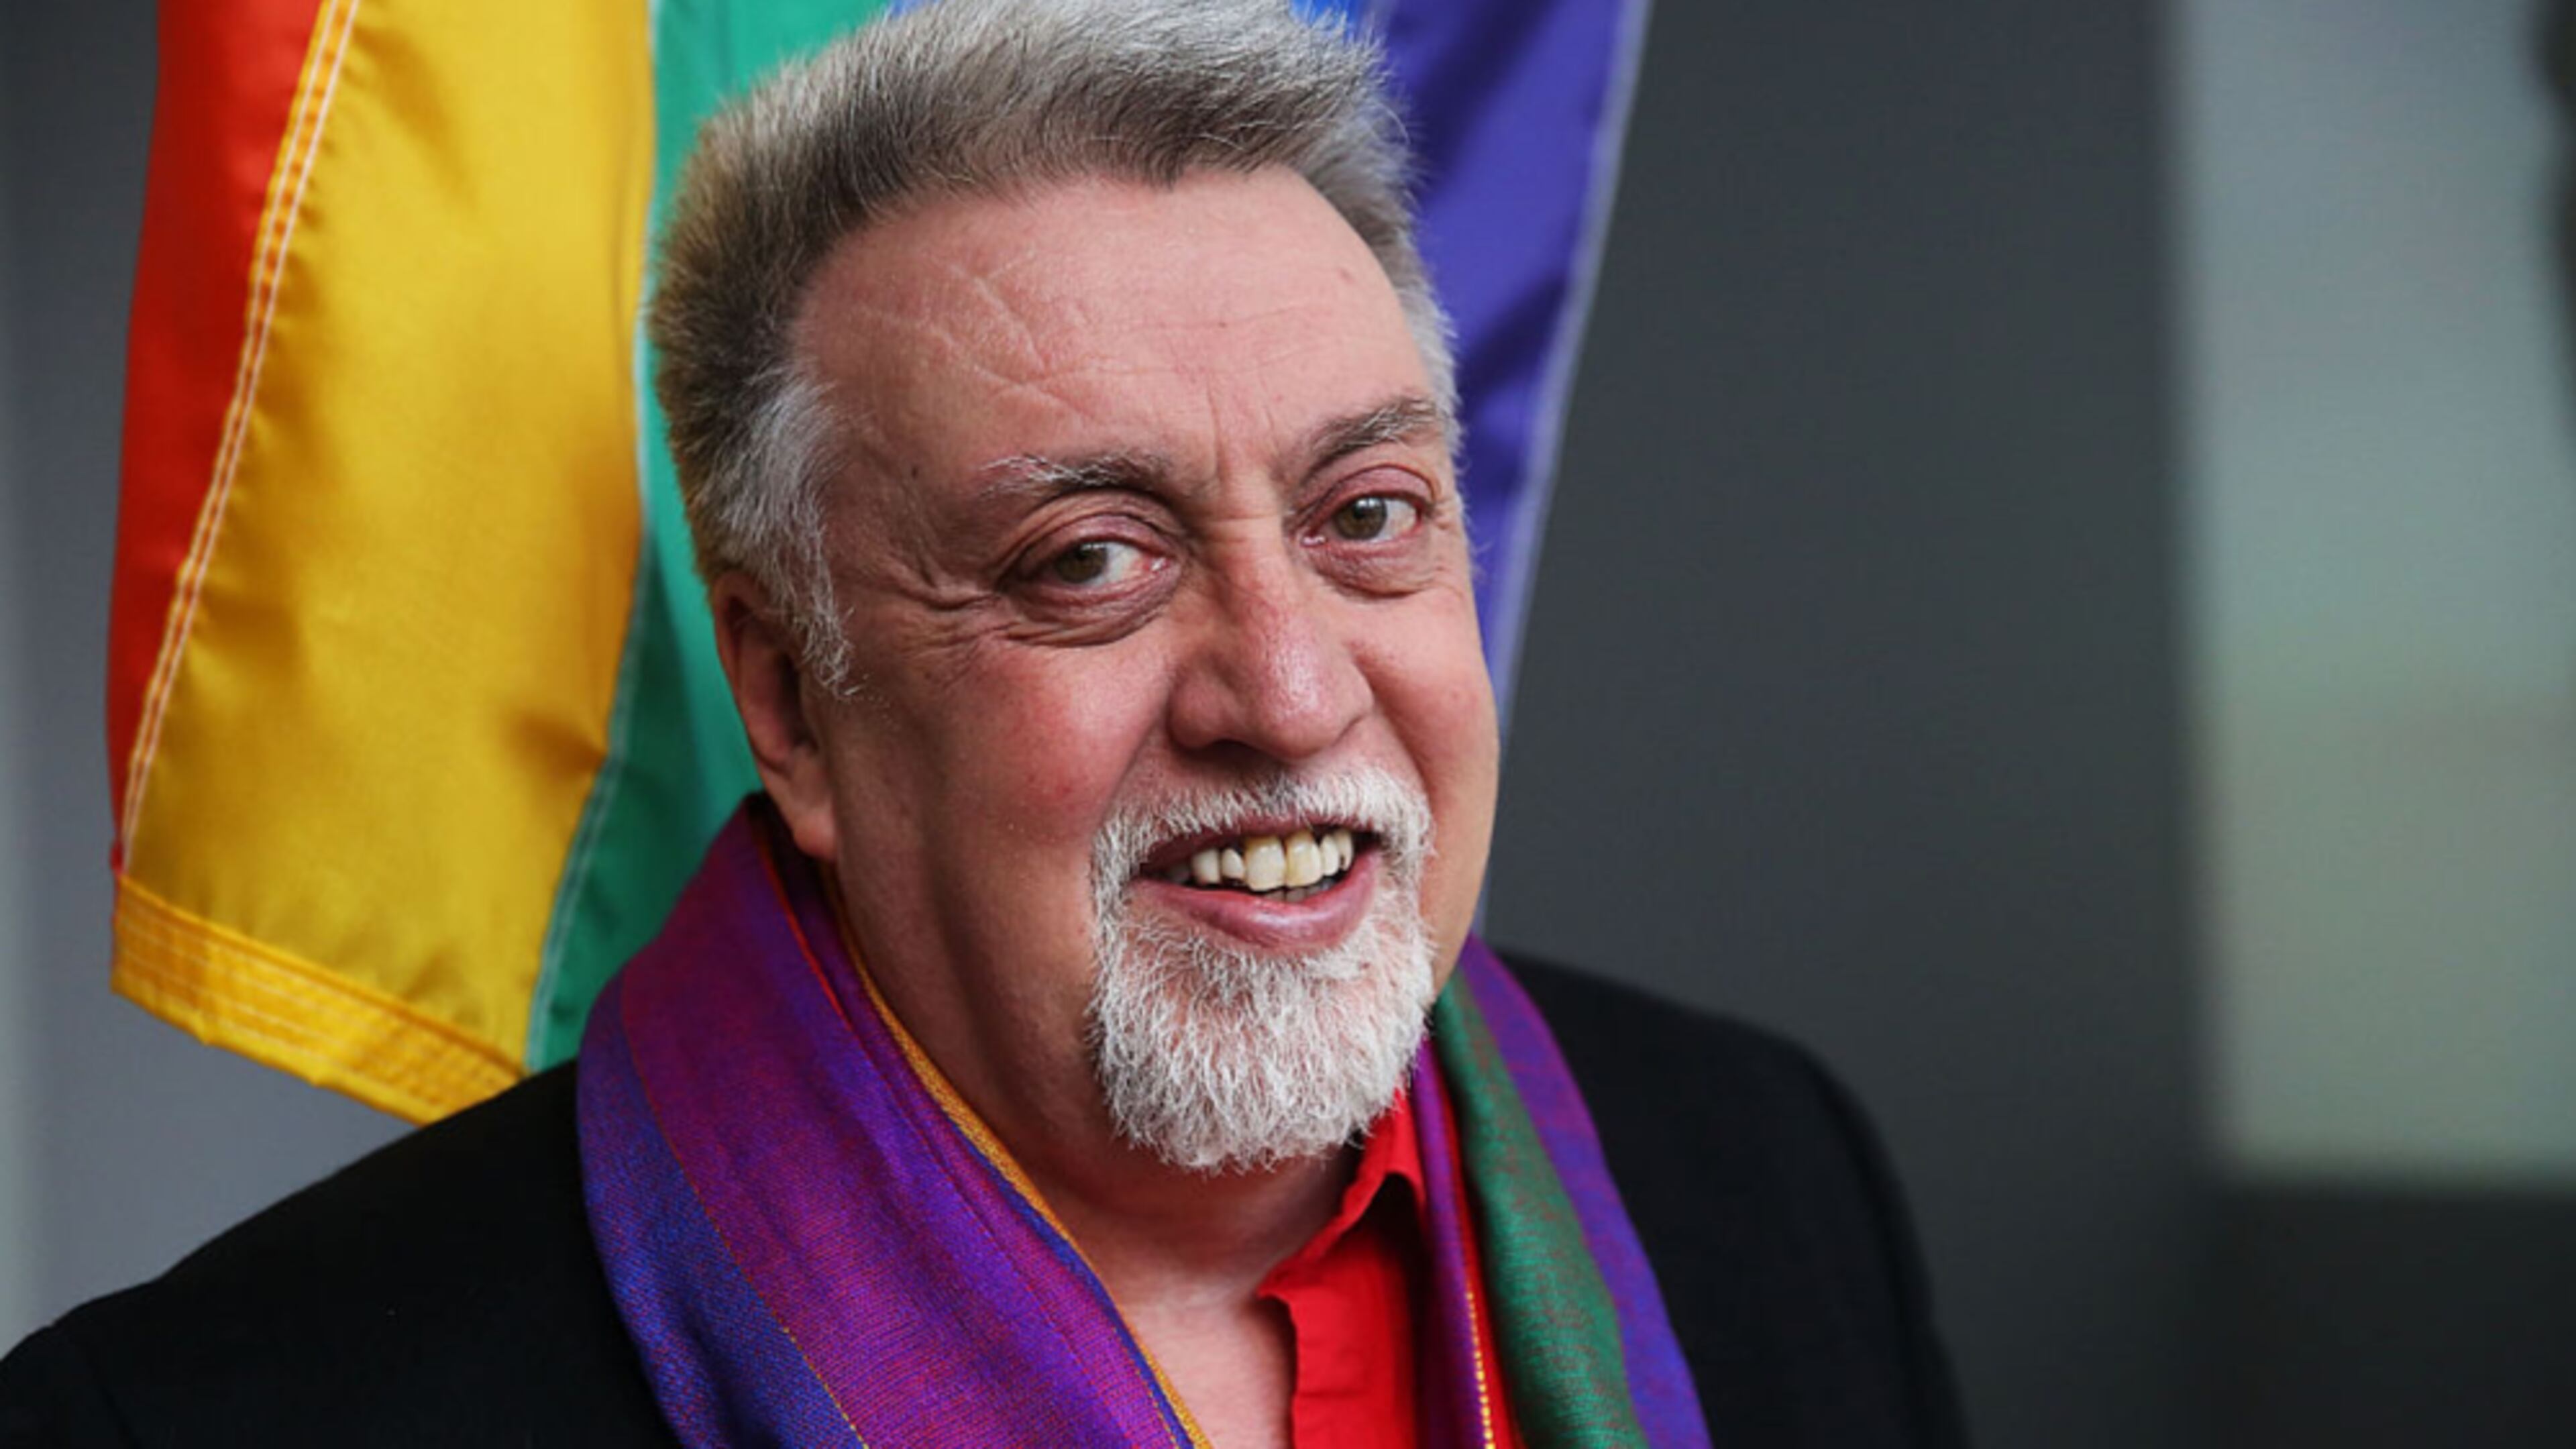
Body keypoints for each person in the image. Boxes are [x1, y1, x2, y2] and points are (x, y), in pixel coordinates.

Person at [0, 1, 1966, 1444]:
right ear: (788, 697)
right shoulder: (209, 1420)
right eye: (1087, 562)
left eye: (1368, 518)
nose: (1285, 692)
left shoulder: (1765, 1181)